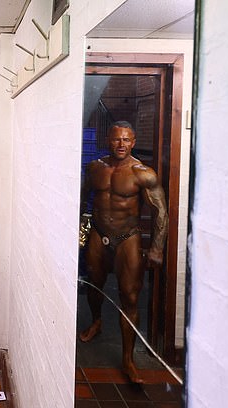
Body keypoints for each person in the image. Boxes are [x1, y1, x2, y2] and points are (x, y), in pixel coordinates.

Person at [79, 121, 168, 383]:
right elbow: (82, 197)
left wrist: (157, 248)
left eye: (126, 140)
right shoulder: (95, 167)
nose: (121, 144)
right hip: (98, 232)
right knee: (94, 285)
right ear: (109, 139)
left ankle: (128, 360)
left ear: (134, 141)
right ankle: (96, 321)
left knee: (130, 295)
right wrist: (79, 227)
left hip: (128, 237)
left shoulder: (143, 173)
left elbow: (160, 211)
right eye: (117, 139)